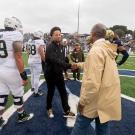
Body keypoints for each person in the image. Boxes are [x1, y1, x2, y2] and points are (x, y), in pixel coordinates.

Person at [71, 23, 121, 135]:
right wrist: (79, 65)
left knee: (79, 127)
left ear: (93, 34)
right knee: (103, 128)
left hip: (95, 99)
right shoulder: (107, 48)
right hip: (106, 97)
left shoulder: (96, 51)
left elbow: (92, 83)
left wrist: (82, 102)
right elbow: (95, 66)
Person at [0, 17, 34, 129]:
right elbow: (18, 57)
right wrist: (23, 76)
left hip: (1, 69)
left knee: (2, 94)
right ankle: (21, 115)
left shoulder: (1, 35)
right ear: (15, 25)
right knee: (18, 92)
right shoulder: (15, 35)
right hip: (11, 70)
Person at [44, 26, 75, 118]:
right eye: (56, 35)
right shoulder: (49, 47)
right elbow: (56, 61)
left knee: (63, 92)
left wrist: (65, 72)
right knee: (51, 92)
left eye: (59, 34)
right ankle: (49, 108)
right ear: (51, 36)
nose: (58, 36)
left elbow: (63, 60)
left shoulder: (61, 46)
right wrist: (70, 66)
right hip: (50, 74)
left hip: (58, 74)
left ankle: (66, 110)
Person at [28, 31, 45, 97]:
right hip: (36, 62)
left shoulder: (30, 41)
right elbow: (42, 54)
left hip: (30, 60)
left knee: (32, 75)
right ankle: (36, 92)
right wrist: (45, 61)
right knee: (36, 77)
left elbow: (28, 51)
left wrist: (30, 58)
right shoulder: (40, 42)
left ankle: (33, 88)